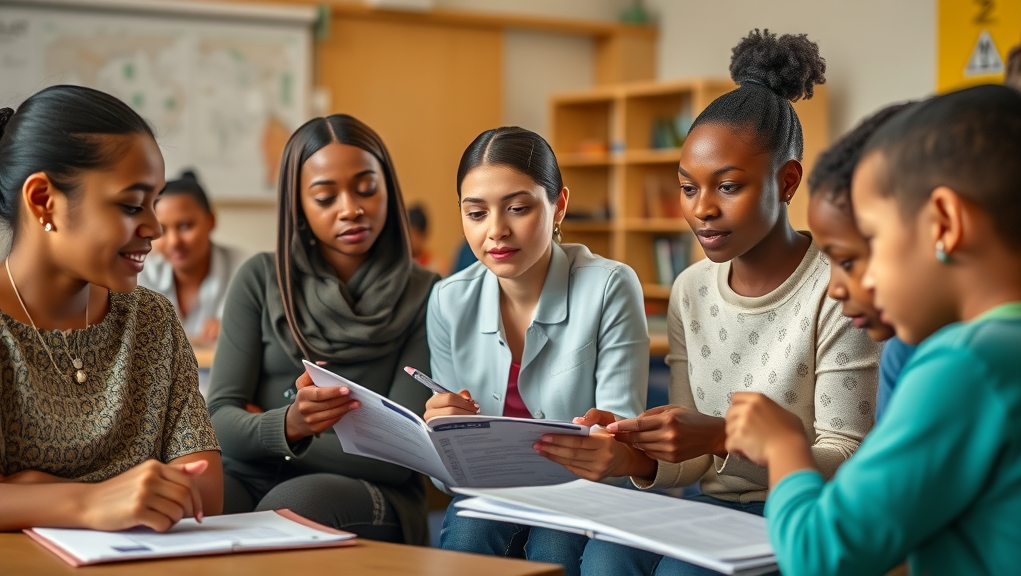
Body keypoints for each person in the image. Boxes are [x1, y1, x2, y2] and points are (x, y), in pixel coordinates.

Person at [572, 30, 881, 575]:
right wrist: (636, 453)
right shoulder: (690, 290)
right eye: (688, 188)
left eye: (728, 187)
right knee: (601, 558)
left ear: (787, 182)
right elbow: (694, 463)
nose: (702, 210)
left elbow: (849, 461)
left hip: (802, 515)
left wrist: (718, 433)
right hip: (711, 511)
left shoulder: (838, 288)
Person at [726, 84, 1021, 576]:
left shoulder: (965, 364)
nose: (858, 280)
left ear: (945, 223)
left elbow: (820, 554)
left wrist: (784, 448)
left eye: (876, 239)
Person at [205, 114, 439, 545]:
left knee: (290, 506)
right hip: (252, 475)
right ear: (299, 206)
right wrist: (291, 424)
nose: (351, 208)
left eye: (366, 188)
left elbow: (396, 457)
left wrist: (268, 429)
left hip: (370, 490)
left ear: (388, 187)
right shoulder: (259, 278)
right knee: (190, 502)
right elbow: (218, 424)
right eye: (325, 196)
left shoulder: (428, 294)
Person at [426, 126, 649, 575]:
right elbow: (446, 479)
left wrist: (606, 441)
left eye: (518, 208)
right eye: (476, 213)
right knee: (467, 530)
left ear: (558, 205)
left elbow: (622, 451)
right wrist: (441, 435)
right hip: (495, 492)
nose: (496, 231)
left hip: (585, 490)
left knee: (554, 542)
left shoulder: (609, 286)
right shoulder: (448, 300)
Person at [0, 85, 222, 531]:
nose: (156, 228)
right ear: (44, 200)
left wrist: (30, 490)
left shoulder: (151, 319)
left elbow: (206, 490)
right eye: (130, 205)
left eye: (153, 203)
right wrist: (93, 502)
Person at [806, 102, 919, 420]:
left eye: (847, 261)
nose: (834, 291)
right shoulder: (901, 350)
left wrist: (781, 447)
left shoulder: (959, 358)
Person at [138, 169, 245, 344]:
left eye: (185, 226)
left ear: (210, 221)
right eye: (162, 230)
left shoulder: (244, 270)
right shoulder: (140, 275)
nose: (174, 242)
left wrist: (236, 329)